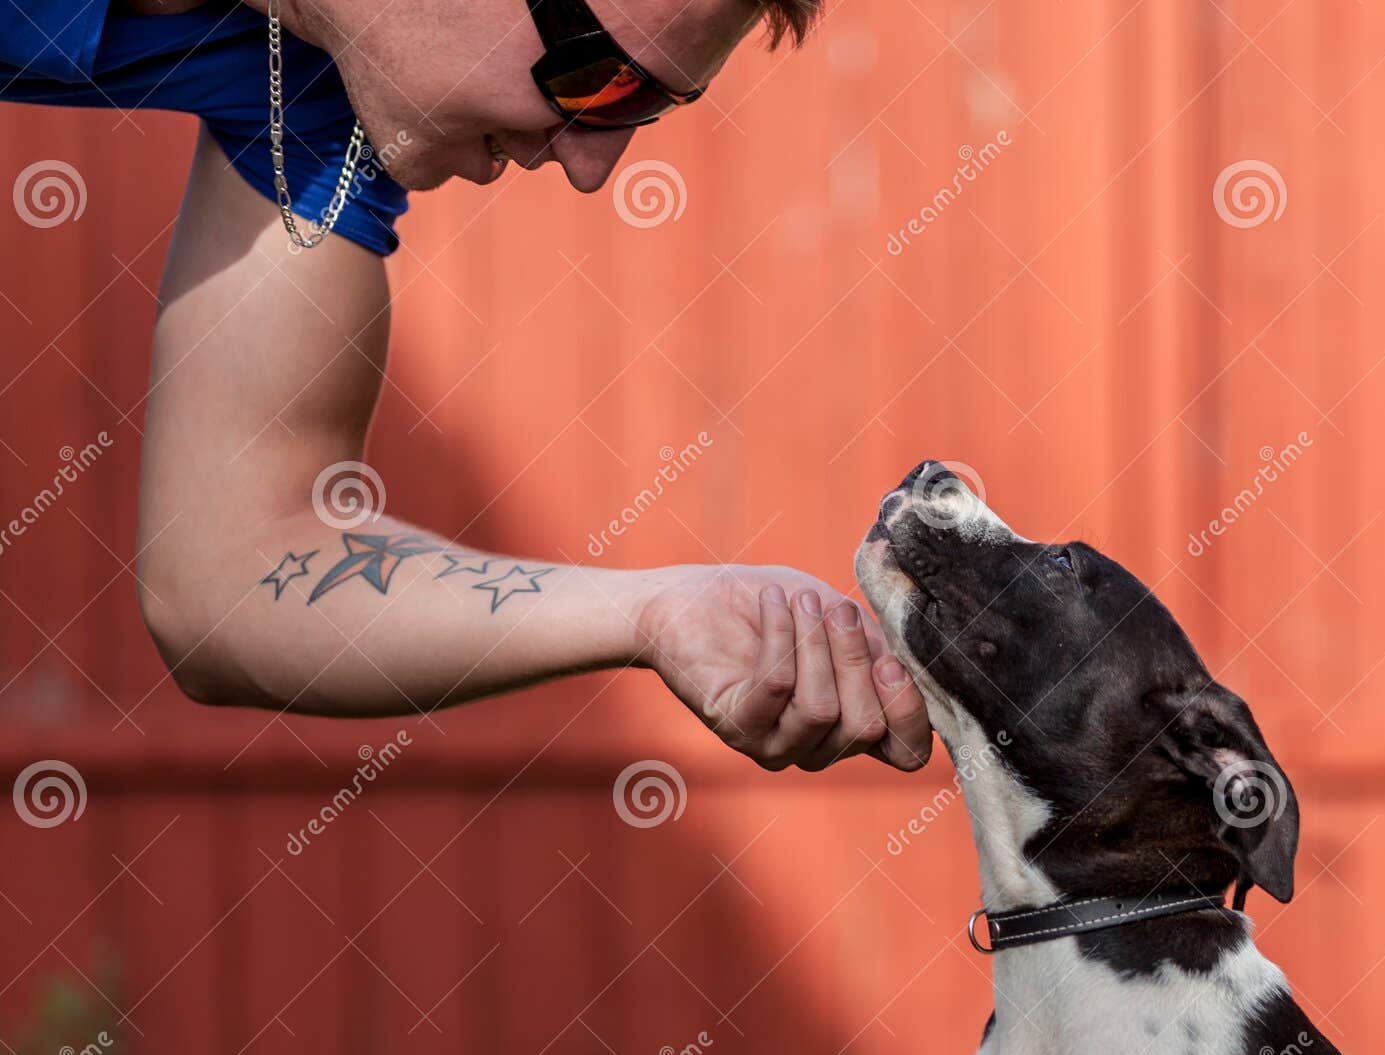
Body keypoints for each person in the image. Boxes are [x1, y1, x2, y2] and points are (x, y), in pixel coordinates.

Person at [0, 0, 933, 774]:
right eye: (603, 79)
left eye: (641, 110)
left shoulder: (313, 83)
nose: (591, 165)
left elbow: (229, 574)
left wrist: (652, 615)